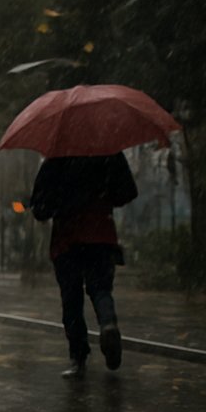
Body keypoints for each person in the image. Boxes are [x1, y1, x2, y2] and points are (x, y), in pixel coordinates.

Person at [29, 153, 137, 377]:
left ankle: (78, 358)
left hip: (66, 240)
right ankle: (108, 324)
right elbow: (128, 192)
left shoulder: (55, 160)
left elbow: (39, 209)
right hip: (100, 234)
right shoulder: (109, 153)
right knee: (101, 289)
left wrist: (61, 201)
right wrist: (102, 195)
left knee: (72, 300)